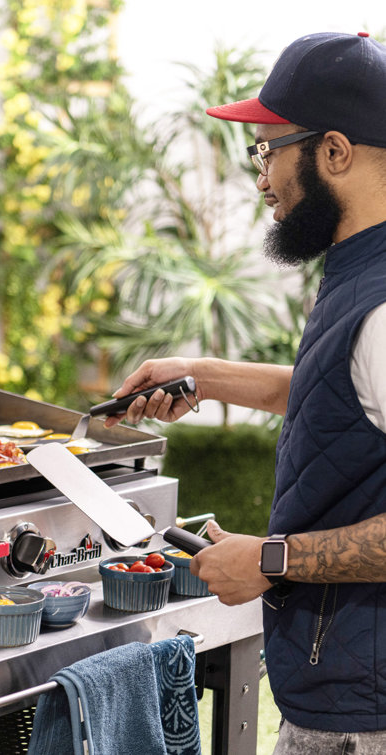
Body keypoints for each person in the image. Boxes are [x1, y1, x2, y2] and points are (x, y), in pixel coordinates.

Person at [105, 32, 386, 753]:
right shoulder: (359, 268)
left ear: (332, 151)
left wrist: (269, 559)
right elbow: (344, 393)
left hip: (364, 715)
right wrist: (204, 372)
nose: (260, 177)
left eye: (266, 150)